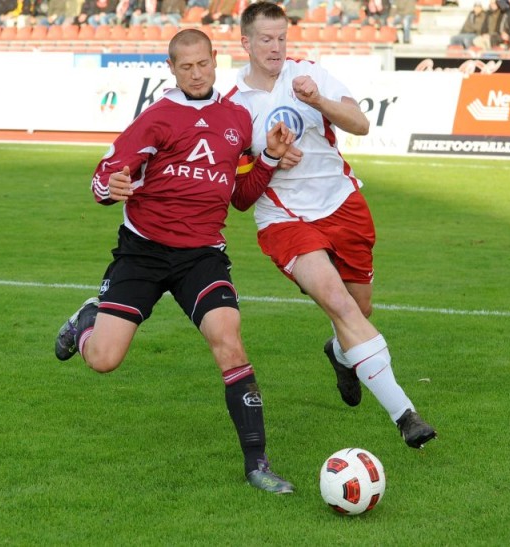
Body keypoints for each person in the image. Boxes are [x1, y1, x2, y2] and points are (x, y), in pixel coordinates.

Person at [54, 29, 296, 495]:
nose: (197, 73)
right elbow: (104, 178)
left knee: (229, 341)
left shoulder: (237, 120)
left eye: (203, 64)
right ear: (172, 69)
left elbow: (242, 198)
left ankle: (257, 464)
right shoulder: (156, 119)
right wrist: (111, 190)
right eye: (186, 67)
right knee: (103, 360)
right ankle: (87, 322)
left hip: (202, 255)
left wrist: (266, 157)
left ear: (214, 61)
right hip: (143, 251)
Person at [226, 1, 437, 450]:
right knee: (339, 304)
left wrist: (317, 100)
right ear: (245, 42)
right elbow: (240, 197)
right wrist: (268, 159)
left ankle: (341, 355)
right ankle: (405, 415)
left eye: (282, 38)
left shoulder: (309, 74)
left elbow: (360, 123)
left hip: (342, 204)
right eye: (266, 39)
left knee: (359, 312)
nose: (276, 47)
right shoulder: (234, 108)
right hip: (284, 219)